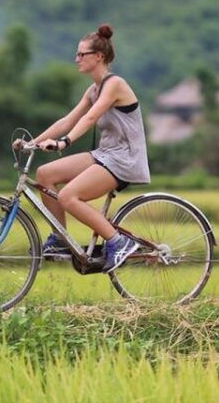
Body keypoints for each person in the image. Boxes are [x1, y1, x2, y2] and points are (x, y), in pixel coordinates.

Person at [21, 23, 150, 272]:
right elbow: (67, 120)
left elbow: (90, 118)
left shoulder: (115, 84)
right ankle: (60, 239)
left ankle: (118, 242)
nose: (76, 59)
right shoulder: (93, 89)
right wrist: (33, 143)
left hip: (124, 159)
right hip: (105, 155)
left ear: (99, 57)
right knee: (45, 174)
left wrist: (64, 142)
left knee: (69, 196)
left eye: (82, 54)